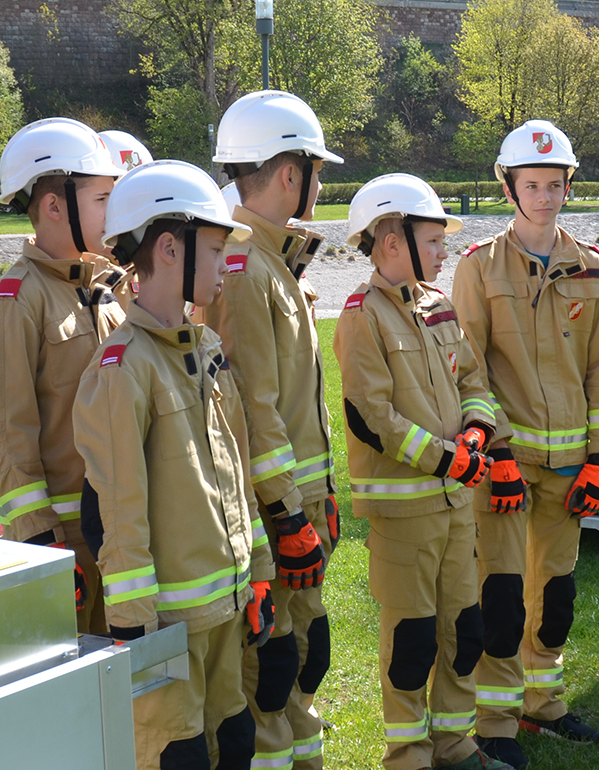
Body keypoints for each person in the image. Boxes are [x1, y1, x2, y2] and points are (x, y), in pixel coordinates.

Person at [73, 159, 273, 770]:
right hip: (166, 625)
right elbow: (119, 507)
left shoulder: (204, 348)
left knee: (234, 743)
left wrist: (258, 567)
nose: (221, 267)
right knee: (176, 756)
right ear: (168, 248)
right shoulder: (122, 367)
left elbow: (234, 470)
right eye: (213, 251)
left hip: (225, 605)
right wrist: (134, 625)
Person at [450, 118, 599, 768]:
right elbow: (469, 367)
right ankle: (494, 721)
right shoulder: (478, 268)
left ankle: (542, 704)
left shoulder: (594, 271)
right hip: (506, 468)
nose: (546, 196)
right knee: (500, 595)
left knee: (554, 598)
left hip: (571, 469)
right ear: (509, 187)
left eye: (555, 184)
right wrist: (495, 454)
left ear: (568, 185)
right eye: (533, 184)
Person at [336, 174, 512, 770]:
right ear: (393, 239)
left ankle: (457, 750)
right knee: (410, 644)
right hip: (404, 515)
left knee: (463, 635)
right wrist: (446, 457)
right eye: (433, 241)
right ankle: (408, 757)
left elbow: (473, 382)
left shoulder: (438, 308)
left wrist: (475, 432)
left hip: (456, 507)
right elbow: (372, 416)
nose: (442, 253)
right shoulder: (362, 317)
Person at [199, 89, 341, 770]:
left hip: (302, 507)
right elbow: (252, 408)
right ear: (292, 173)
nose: (321, 184)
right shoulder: (245, 267)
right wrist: (284, 516)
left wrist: (321, 493)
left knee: (306, 655)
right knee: (274, 665)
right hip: (274, 516)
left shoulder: (274, 263)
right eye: (317, 170)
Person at [0, 117, 127, 635]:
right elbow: (7, 431)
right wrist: (41, 542)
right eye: (102, 199)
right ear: (55, 206)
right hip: (68, 542)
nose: (115, 211)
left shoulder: (103, 289)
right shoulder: (17, 301)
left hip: (122, 529)